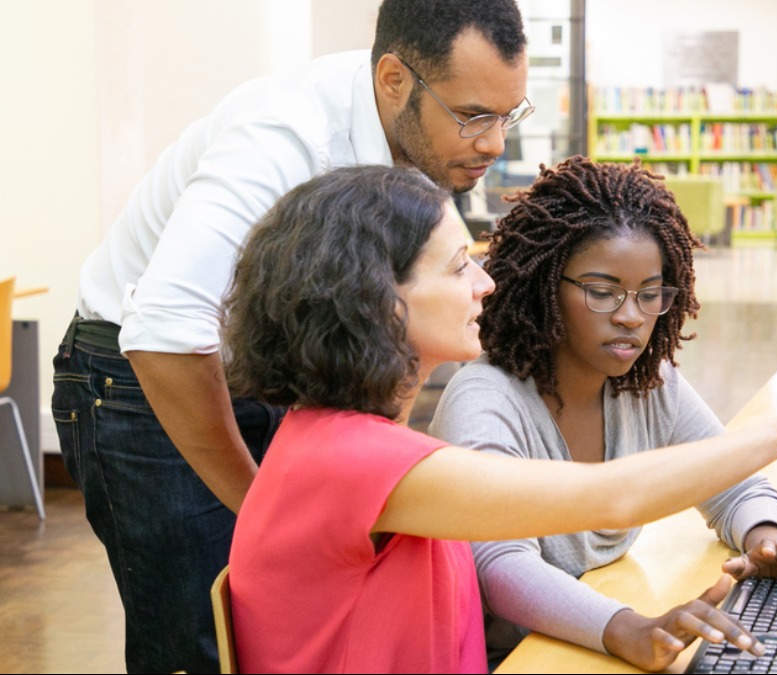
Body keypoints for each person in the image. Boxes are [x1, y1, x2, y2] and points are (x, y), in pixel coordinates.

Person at [224, 164, 777, 673]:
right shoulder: (356, 460)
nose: (486, 283)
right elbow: (610, 495)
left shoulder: (339, 440)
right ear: (379, 298)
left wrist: (764, 531)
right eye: (459, 268)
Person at [49, 1, 532, 672]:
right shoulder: (285, 135)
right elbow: (163, 330)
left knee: (280, 621)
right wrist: (264, 510)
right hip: (139, 373)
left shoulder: (419, 136)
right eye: (474, 116)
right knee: (203, 638)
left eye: (510, 114)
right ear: (394, 80)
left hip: (249, 368)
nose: (495, 143)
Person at [427, 156, 777, 671]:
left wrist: (768, 541)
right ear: (544, 286)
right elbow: (499, 563)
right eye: (603, 293)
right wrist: (624, 628)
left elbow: (733, 486)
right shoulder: (485, 399)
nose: (631, 317)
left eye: (650, 295)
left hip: (597, 643)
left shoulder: (647, 381)